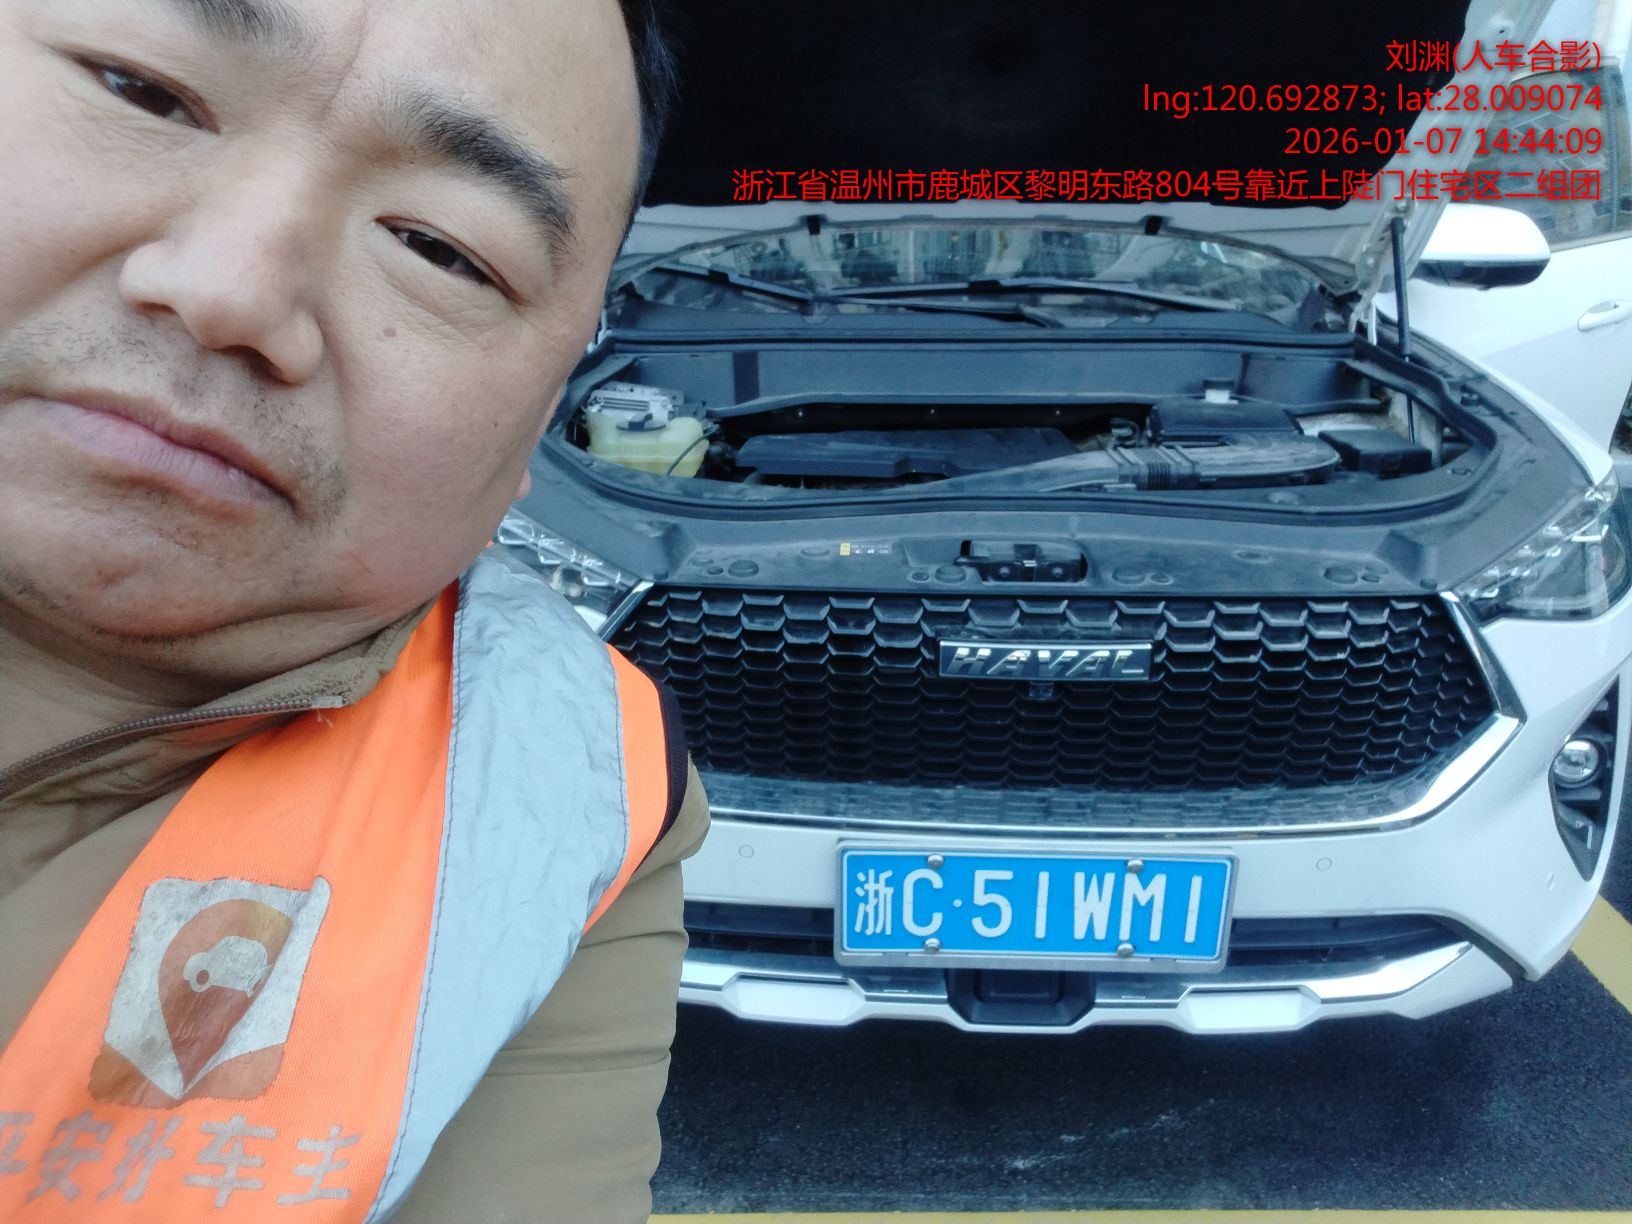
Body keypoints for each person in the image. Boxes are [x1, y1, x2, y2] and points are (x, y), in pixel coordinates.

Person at [0, 0, 703, 1219]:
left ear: (544, 420)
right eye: (140, 90)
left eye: (441, 249)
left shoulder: (563, 783)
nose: (231, 290)